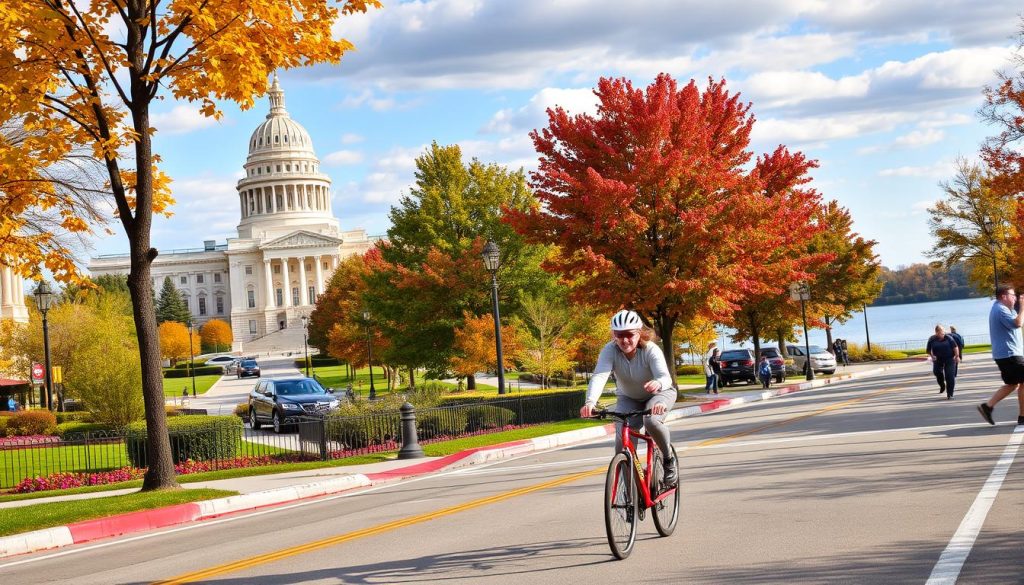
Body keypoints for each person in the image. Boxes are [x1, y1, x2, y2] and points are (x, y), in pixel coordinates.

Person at [580, 309, 678, 484]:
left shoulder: (650, 350)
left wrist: (658, 383)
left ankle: (668, 460)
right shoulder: (610, 350)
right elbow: (600, 375)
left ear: (639, 333)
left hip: (659, 394)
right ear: (613, 335)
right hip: (629, 398)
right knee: (622, 445)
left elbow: (665, 376)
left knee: (651, 421)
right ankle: (630, 496)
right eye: (619, 335)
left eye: (629, 335)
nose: (624, 340)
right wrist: (590, 402)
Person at [978, 285, 1024, 426]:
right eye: (1012, 295)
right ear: (1003, 296)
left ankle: (988, 406)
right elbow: (1018, 323)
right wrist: (1022, 307)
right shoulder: (1001, 309)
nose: (1015, 298)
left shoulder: (1001, 309)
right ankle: (1023, 417)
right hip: (1010, 354)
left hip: (1006, 354)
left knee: (1012, 383)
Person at [926, 325, 960, 399]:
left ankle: (950, 394)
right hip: (938, 359)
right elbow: (928, 350)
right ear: (936, 332)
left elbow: (955, 347)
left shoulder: (949, 338)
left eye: (941, 332)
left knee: (949, 376)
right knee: (936, 372)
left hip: (950, 359)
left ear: (943, 331)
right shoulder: (932, 339)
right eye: (938, 333)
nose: (940, 334)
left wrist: (956, 356)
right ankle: (942, 385)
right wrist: (932, 356)